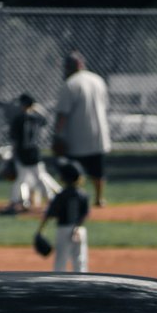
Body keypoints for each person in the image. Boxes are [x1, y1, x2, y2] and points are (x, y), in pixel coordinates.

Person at [0, 92, 61, 215]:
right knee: (38, 177)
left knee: (22, 179)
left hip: (22, 152)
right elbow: (44, 120)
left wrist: (13, 153)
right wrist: (36, 108)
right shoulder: (36, 117)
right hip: (34, 151)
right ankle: (49, 201)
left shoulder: (19, 119)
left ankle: (15, 203)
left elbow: (15, 138)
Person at [53, 52, 111, 207]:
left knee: (73, 170)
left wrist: (57, 135)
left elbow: (63, 113)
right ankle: (99, 198)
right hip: (99, 134)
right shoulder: (97, 79)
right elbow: (105, 106)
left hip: (77, 136)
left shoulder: (70, 84)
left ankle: (74, 198)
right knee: (97, 170)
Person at [37, 161, 90, 273]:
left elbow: (49, 214)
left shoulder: (61, 195)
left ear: (64, 177)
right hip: (80, 230)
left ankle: (58, 281)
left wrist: (40, 230)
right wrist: (78, 227)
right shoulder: (83, 194)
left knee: (61, 260)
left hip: (64, 230)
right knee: (80, 260)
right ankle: (82, 281)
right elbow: (85, 213)